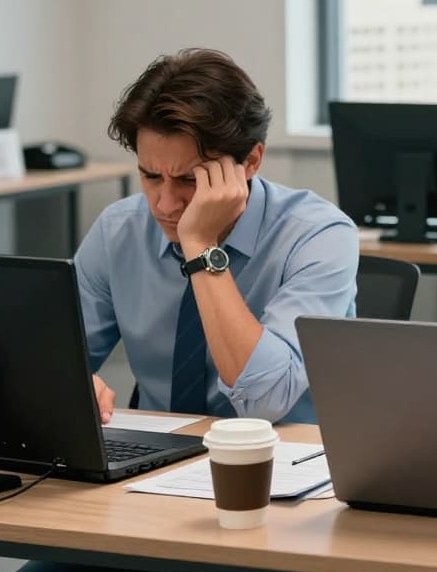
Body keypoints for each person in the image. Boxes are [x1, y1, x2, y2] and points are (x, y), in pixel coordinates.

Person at [82, 48, 358, 425]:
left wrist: (201, 246)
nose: (164, 204)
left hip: (283, 462)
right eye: (150, 176)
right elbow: (52, 362)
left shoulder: (319, 235)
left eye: (189, 180)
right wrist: (73, 384)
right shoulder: (119, 230)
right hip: (149, 461)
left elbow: (266, 400)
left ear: (251, 162)